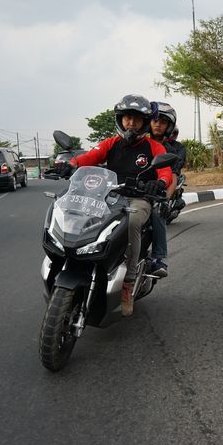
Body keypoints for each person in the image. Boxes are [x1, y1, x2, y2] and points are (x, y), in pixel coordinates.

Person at [68, 94, 172, 316]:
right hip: (108, 196)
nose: (131, 123)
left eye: (136, 118)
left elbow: (165, 172)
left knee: (133, 221)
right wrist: (71, 164)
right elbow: (89, 158)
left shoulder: (154, 147)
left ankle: (128, 281)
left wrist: (160, 183)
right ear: (120, 119)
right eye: (127, 118)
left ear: (144, 122)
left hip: (138, 198)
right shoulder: (111, 143)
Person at [146, 102, 186, 278]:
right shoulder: (139, 142)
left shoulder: (175, 150)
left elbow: (173, 175)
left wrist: (164, 199)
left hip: (157, 190)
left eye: (162, 121)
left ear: (169, 126)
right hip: (132, 188)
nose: (157, 124)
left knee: (157, 212)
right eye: (154, 120)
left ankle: (157, 259)